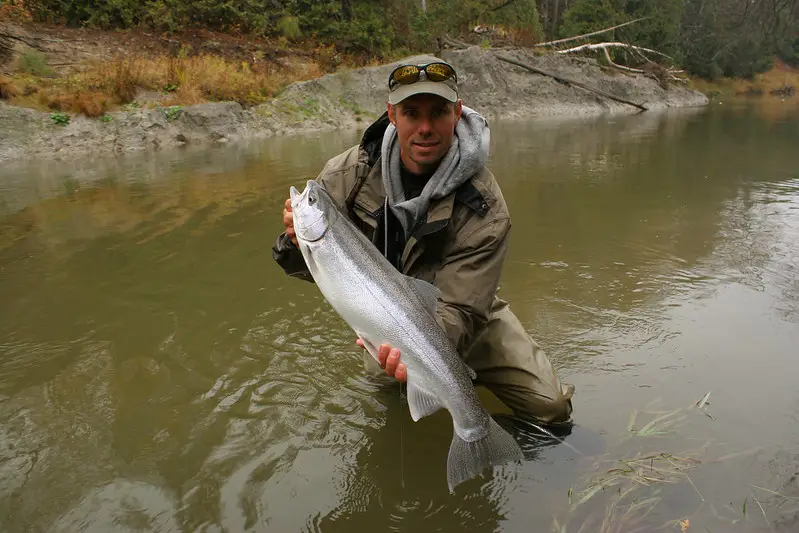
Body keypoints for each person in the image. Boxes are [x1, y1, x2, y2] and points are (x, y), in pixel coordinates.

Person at [272, 55, 574, 426]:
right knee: (385, 378)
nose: (425, 128)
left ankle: (488, 426)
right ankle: (421, 394)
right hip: (386, 309)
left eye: (439, 112)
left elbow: (464, 310)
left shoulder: (486, 204)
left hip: (466, 309)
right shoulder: (347, 175)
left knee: (553, 410)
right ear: (392, 115)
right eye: (412, 113)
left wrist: (421, 353)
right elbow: (320, 268)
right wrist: (293, 241)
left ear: (457, 112)